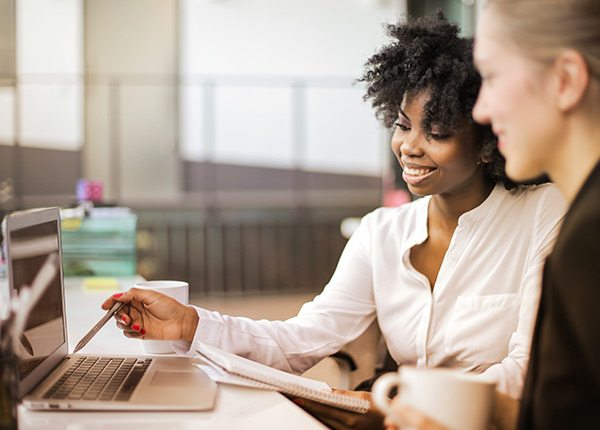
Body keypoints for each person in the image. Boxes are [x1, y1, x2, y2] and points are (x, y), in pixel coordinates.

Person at [103, 13, 565, 430]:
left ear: (488, 142)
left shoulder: (543, 214)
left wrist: (396, 402)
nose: (409, 146)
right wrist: (188, 325)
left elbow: (526, 371)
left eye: (438, 133)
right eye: (403, 126)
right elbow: (299, 341)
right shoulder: (381, 232)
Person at [385, 1, 600, 429]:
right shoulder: (583, 218)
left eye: (494, 77)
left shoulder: (588, 234)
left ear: (565, 80)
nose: (480, 111)